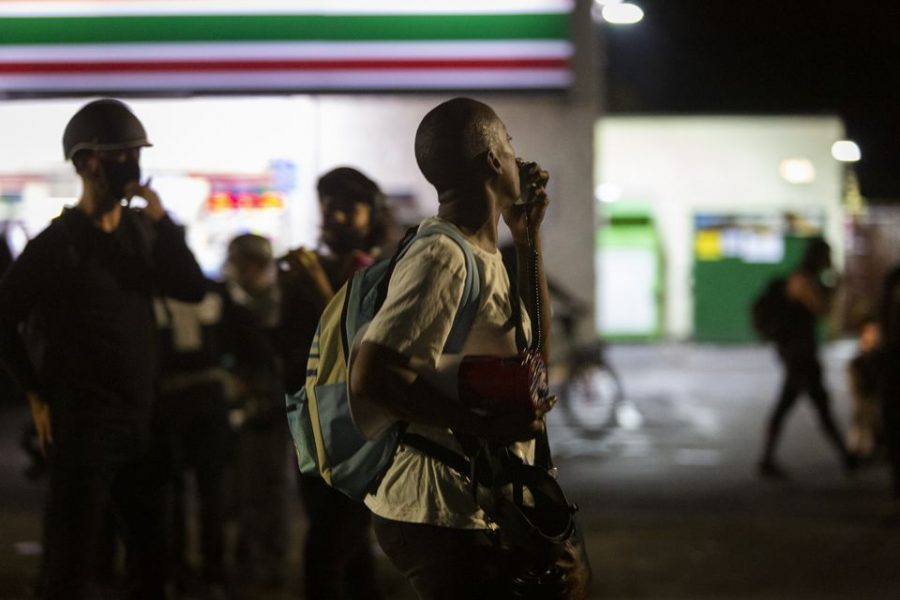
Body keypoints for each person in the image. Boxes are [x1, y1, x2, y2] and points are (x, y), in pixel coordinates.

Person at [349, 98, 560, 597]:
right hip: (438, 512)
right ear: (492, 159)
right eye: (509, 144)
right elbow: (373, 373)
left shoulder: (481, 253)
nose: (517, 157)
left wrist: (528, 239)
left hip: (471, 506)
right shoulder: (442, 254)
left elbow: (534, 362)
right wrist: (486, 426)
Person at [0, 98, 206, 599]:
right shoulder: (57, 244)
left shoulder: (141, 232)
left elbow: (191, 288)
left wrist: (164, 225)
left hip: (142, 419)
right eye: (120, 154)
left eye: (135, 152)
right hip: (83, 426)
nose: (132, 165)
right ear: (85, 163)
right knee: (70, 564)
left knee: (152, 559)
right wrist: (35, 396)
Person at [278, 167, 389, 600]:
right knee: (347, 541)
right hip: (312, 419)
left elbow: (361, 341)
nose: (337, 216)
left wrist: (318, 286)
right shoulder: (316, 266)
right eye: (329, 206)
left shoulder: (383, 269)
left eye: (349, 208)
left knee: (329, 539)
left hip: (359, 426)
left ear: (372, 213)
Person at [154, 279, 269, 598]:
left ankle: (180, 570)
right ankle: (213, 571)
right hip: (208, 399)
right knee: (210, 491)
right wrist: (241, 375)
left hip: (170, 401)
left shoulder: (151, 290)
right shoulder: (213, 291)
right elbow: (253, 341)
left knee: (176, 492)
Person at [757, 237, 855, 479]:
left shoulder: (804, 278)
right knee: (795, 404)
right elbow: (821, 308)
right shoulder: (801, 280)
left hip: (803, 354)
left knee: (819, 404)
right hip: (799, 355)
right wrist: (835, 287)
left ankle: (845, 456)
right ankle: (766, 460)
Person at [222, 234, 289, 588]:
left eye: (239, 262)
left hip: (270, 408)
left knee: (266, 489)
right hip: (252, 407)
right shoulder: (244, 301)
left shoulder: (272, 304)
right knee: (248, 490)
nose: (235, 269)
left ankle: (266, 563)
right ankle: (253, 561)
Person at [879, 264, 900, 515]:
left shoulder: (893, 278)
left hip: (891, 363)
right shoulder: (894, 278)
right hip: (893, 363)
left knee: (894, 424)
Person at [846, 316, 882, 459]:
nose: (874, 336)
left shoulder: (880, 356)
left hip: (876, 398)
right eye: (870, 332)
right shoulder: (857, 362)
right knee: (862, 413)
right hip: (867, 398)